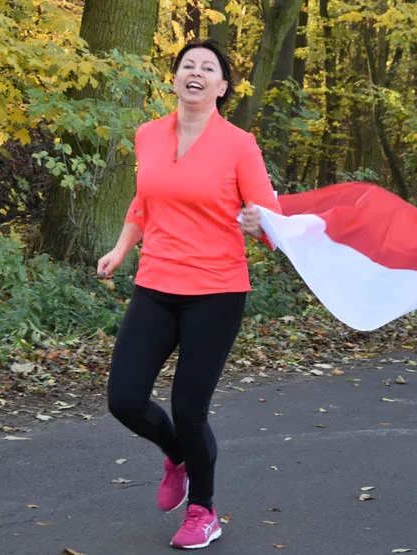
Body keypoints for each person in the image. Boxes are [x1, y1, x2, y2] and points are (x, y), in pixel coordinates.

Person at [96, 39, 281, 550]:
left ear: (222, 87)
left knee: (189, 407)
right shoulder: (148, 135)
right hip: (156, 284)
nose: (195, 72)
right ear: (174, 78)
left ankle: (203, 509)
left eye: (208, 68)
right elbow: (144, 199)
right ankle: (177, 454)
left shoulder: (240, 144)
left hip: (216, 291)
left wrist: (256, 223)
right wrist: (120, 248)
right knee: (125, 399)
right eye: (187, 65)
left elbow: (269, 217)